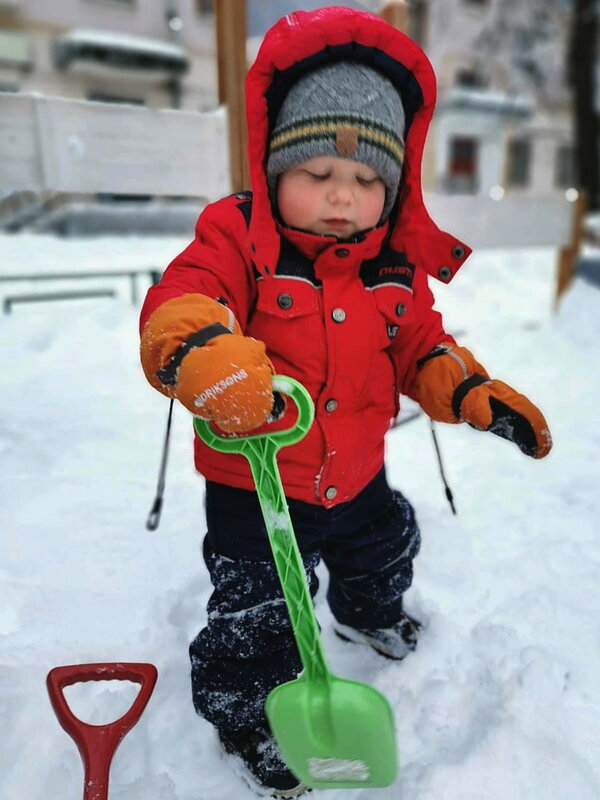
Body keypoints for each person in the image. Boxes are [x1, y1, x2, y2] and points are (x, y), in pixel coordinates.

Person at [139, 7, 552, 797]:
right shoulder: (238, 240)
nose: (342, 198)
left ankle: (368, 609)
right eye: (317, 173)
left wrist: (469, 392)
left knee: (386, 541)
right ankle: (249, 715)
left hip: (356, 470)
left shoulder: (393, 269)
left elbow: (422, 347)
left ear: (392, 191)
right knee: (253, 612)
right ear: (274, 166)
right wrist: (200, 353)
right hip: (255, 483)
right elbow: (184, 302)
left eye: (367, 181)